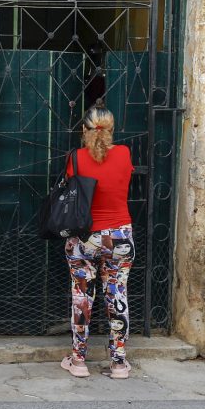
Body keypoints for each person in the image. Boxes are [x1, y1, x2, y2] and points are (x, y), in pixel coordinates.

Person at [59, 105, 135, 379]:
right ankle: (118, 363)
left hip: (85, 236)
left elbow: (71, 191)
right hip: (119, 236)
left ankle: (78, 360)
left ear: (84, 130)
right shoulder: (125, 154)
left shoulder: (76, 159)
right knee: (117, 295)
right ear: (112, 129)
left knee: (82, 297)